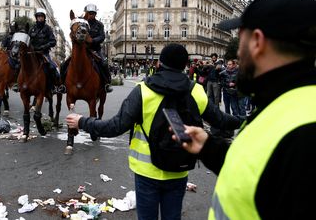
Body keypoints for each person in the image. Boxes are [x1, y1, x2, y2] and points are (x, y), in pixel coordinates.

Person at [176, 0, 316, 219]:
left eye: (240, 39)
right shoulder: (287, 102)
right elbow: (260, 174)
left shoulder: (305, 136)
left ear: (257, 42)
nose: (237, 52)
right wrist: (209, 147)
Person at [66, 43, 242, 220]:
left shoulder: (143, 91)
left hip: (147, 171)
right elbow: (222, 120)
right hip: (179, 168)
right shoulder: (196, 91)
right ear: (185, 66)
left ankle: (61, 83)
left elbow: (115, 127)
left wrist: (82, 121)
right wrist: (248, 120)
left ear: (159, 64)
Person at [60, 3, 113, 93]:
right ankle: (62, 85)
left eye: (92, 13)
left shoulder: (99, 24)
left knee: (104, 63)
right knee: (64, 64)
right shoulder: (82, 23)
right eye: (89, 13)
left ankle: (107, 83)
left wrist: (92, 40)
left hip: (95, 49)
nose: (91, 15)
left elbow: (102, 36)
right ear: (86, 13)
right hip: (83, 49)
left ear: (95, 14)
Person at [28, 8, 60, 94]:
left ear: (44, 18)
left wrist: (44, 46)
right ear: (36, 17)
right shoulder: (32, 29)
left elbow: (53, 41)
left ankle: (54, 86)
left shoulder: (48, 28)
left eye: (41, 16)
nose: (40, 18)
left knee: (52, 67)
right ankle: (18, 84)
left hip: (44, 53)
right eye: (38, 16)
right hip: (32, 53)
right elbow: (28, 39)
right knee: (21, 64)